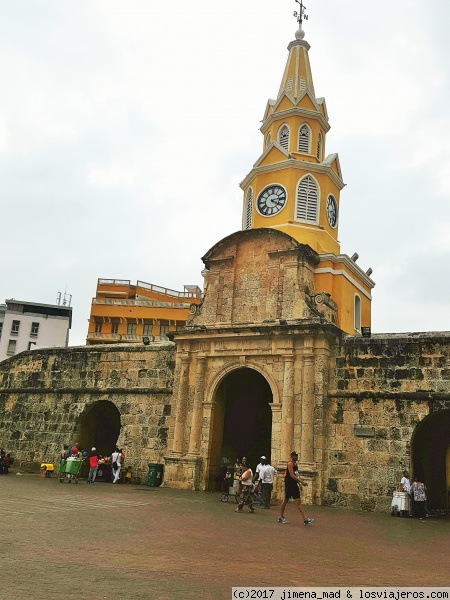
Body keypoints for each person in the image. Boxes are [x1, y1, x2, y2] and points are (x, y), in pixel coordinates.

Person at [278, 451, 313, 526]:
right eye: (295, 456)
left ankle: (305, 519)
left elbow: (296, 474)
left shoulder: (295, 464)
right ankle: (281, 516)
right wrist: (301, 481)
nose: (297, 457)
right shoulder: (290, 464)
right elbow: (292, 475)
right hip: (289, 484)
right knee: (286, 500)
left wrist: (299, 484)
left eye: (297, 456)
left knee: (298, 501)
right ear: (292, 456)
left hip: (294, 484)